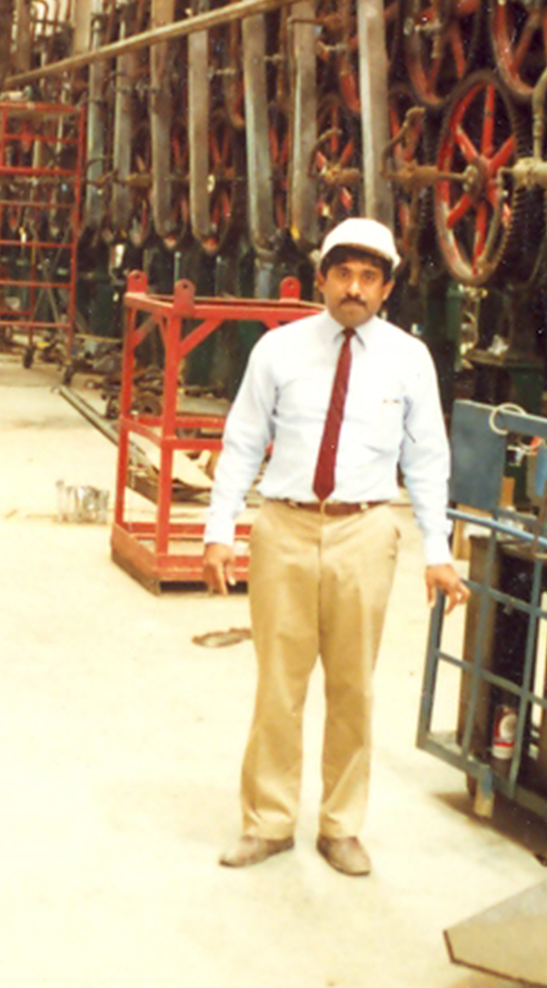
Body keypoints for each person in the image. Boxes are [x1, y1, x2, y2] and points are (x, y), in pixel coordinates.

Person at [201, 216, 469, 876]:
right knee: (278, 685)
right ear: (320, 278)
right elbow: (241, 442)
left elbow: (428, 457)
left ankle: (341, 825)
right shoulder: (279, 351)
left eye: (369, 277)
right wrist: (218, 529)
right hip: (285, 528)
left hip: (364, 530)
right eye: (343, 273)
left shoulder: (409, 359)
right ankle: (267, 821)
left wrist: (437, 547)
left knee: (353, 688)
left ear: (387, 288)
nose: (354, 287)